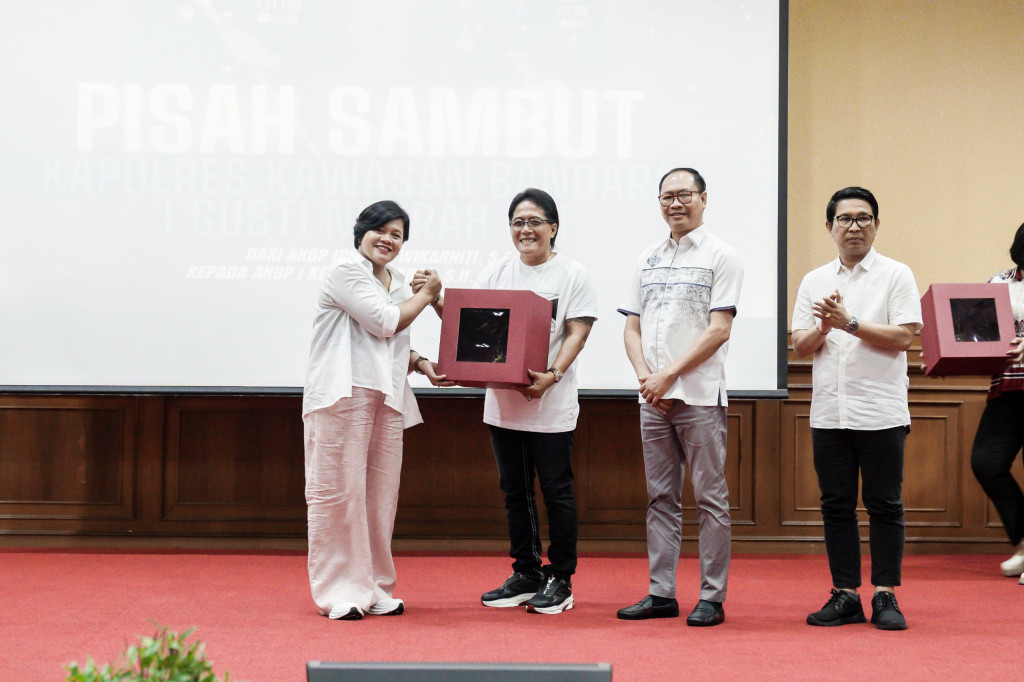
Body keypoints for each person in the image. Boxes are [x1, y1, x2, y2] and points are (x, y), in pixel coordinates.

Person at [413, 188, 598, 614]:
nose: (526, 230)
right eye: (518, 222)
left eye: (535, 222)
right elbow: (473, 328)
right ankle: (527, 571)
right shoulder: (498, 271)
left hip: (550, 405)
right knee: (515, 492)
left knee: (557, 493)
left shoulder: (573, 275)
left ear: (553, 228)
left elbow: (578, 333)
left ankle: (561, 579)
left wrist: (551, 377)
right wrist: (436, 297)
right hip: (502, 406)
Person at [302, 200, 450, 621]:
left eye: (397, 234)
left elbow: (390, 342)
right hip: (341, 396)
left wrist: (421, 363)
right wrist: (427, 294)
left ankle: (374, 586)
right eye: (379, 230)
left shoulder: (398, 280)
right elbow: (385, 322)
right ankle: (338, 592)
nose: (387, 239)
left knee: (380, 498)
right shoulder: (345, 271)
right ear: (361, 232)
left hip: (387, 398)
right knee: (338, 495)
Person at [616, 167, 743, 627]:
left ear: (703, 199)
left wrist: (666, 376)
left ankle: (712, 596)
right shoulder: (646, 257)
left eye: (684, 195)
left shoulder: (721, 255)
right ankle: (661, 593)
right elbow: (631, 325)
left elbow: (719, 329)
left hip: (699, 397)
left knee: (711, 498)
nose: (676, 203)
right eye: (667, 196)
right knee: (660, 498)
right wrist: (647, 378)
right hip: (654, 397)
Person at [792, 186, 922, 630]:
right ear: (829, 227)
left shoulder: (896, 274)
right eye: (845, 219)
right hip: (830, 412)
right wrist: (824, 327)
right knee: (836, 505)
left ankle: (886, 595)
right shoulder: (814, 280)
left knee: (885, 504)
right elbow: (802, 345)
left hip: (881, 410)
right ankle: (846, 594)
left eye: (863, 218)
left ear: (877, 225)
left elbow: (905, 337)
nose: (854, 226)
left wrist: (847, 322)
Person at [969, 222, 1024, 583]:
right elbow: (978, 333)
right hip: (1009, 391)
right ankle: (1022, 541)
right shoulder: (1000, 282)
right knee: (986, 462)